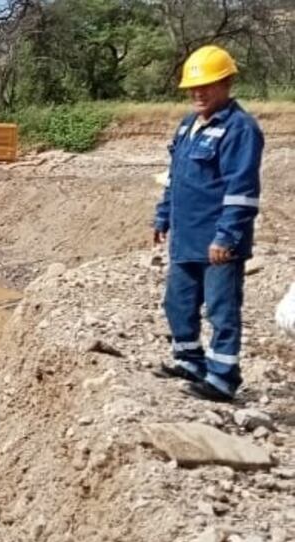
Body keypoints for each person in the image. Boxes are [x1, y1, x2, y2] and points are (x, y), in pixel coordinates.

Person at [153, 44, 264, 403]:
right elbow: (175, 178)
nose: (198, 93)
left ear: (227, 83)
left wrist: (227, 236)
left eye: (208, 86)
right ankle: (190, 361)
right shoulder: (188, 126)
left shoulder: (240, 129)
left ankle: (222, 377)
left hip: (218, 242)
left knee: (221, 308)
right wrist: (163, 215)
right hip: (186, 237)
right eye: (193, 88)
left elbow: (241, 191)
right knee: (177, 303)